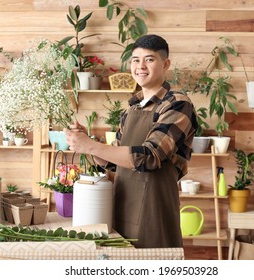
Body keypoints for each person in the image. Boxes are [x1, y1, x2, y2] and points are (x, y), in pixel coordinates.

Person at [64, 34, 198, 248]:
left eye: (149, 59)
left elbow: (150, 157)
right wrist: (87, 143)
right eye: (135, 60)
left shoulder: (177, 104)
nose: (140, 66)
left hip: (155, 210)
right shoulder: (131, 109)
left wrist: (89, 145)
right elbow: (112, 163)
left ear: (166, 64)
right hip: (122, 205)